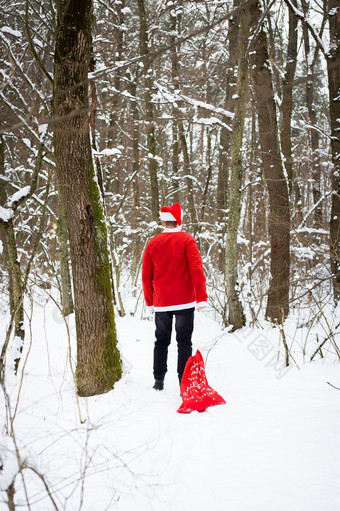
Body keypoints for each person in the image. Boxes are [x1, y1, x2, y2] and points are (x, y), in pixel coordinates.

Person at [142, 202, 208, 390]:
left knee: (161, 340)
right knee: (184, 341)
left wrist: (150, 302)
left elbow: (146, 276)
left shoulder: (153, 243)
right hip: (184, 301)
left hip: (162, 302)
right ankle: (184, 383)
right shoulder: (187, 240)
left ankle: (158, 380)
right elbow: (196, 269)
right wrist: (201, 297)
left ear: (163, 222)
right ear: (179, 220)